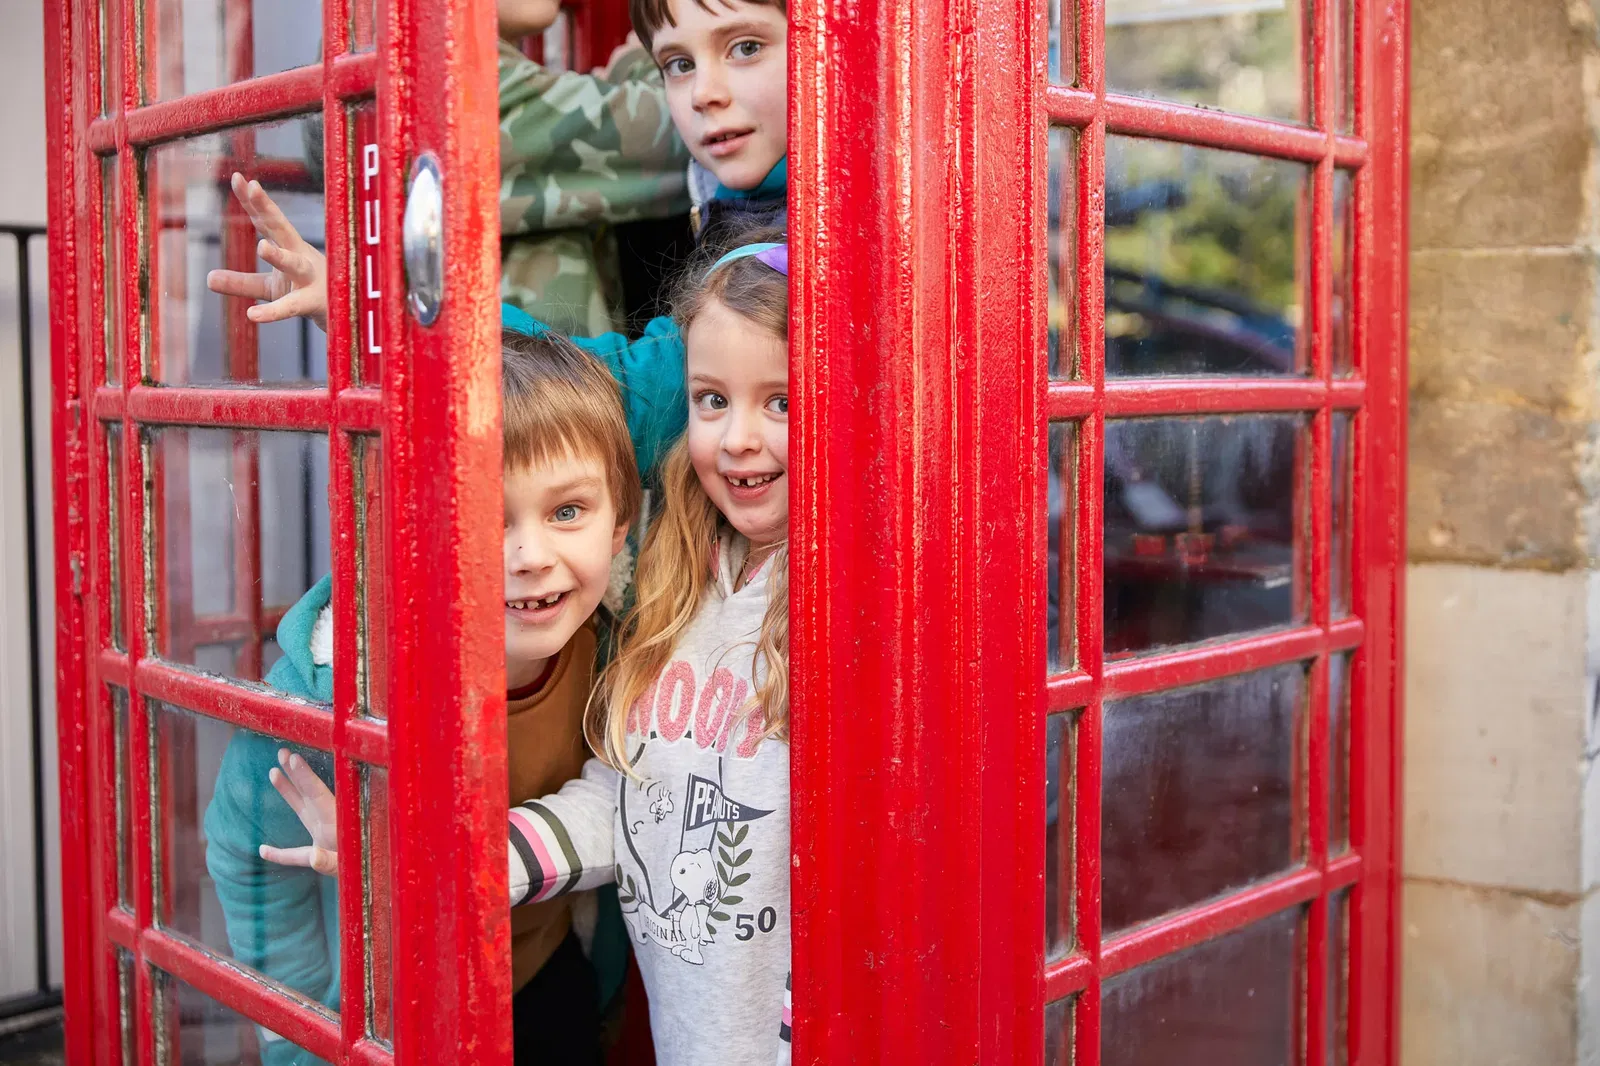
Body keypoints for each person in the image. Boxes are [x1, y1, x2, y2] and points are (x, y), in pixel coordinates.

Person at [265, 231, 797, 1066]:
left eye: (783, 403)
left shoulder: (841, 604)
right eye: (711, 400)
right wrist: (446, 863)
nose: (737, 439)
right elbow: (631, 799)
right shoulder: (677, 584)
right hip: (683, 1028)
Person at [204, 326, 678, 1066]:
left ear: (620, 526)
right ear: (420, 529)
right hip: (394, 1014)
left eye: (567, 512)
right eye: (486, 519)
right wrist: (304, 1037)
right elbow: (245, 853)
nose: (531, 557)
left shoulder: (619, 657)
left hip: (550, 974)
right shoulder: (328, 696)